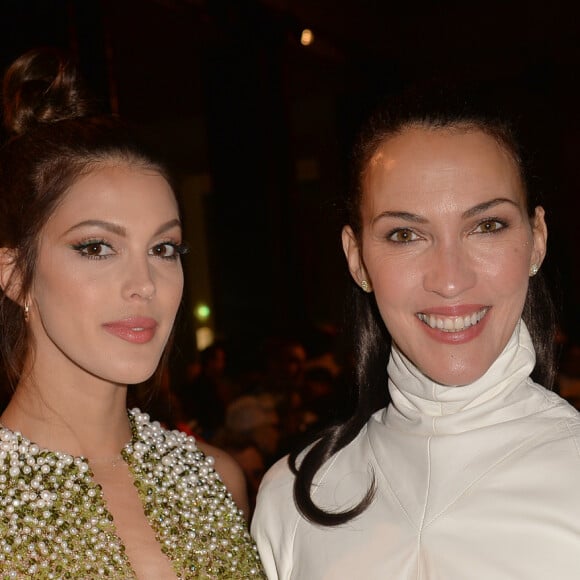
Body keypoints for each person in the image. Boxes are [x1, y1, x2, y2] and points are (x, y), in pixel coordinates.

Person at [251, 90, 580, 579]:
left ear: (537, 241)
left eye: (487, 226)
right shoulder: (294, 496)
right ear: (356, 256)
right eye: (405, 234)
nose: (449, 279)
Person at [0, 48, 264, 578]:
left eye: (164, 249)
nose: (145, 284)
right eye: (96, 247)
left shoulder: (214, 480)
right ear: (14, 274)